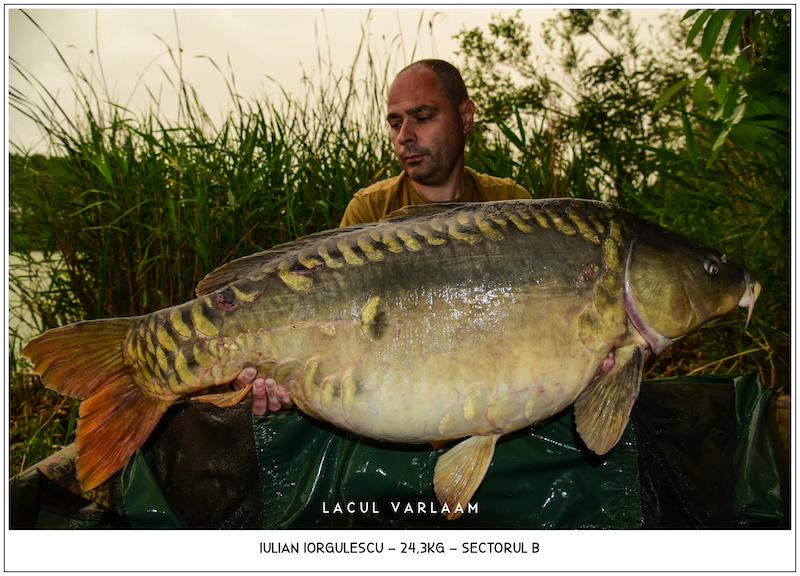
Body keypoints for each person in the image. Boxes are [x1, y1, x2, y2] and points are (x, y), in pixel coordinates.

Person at [240, 59, 531, 415]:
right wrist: (282, 375)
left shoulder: (510, 206)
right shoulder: (369, 211)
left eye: (421, 118)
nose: (404, 135)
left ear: (466, 117)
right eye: (395, 122)